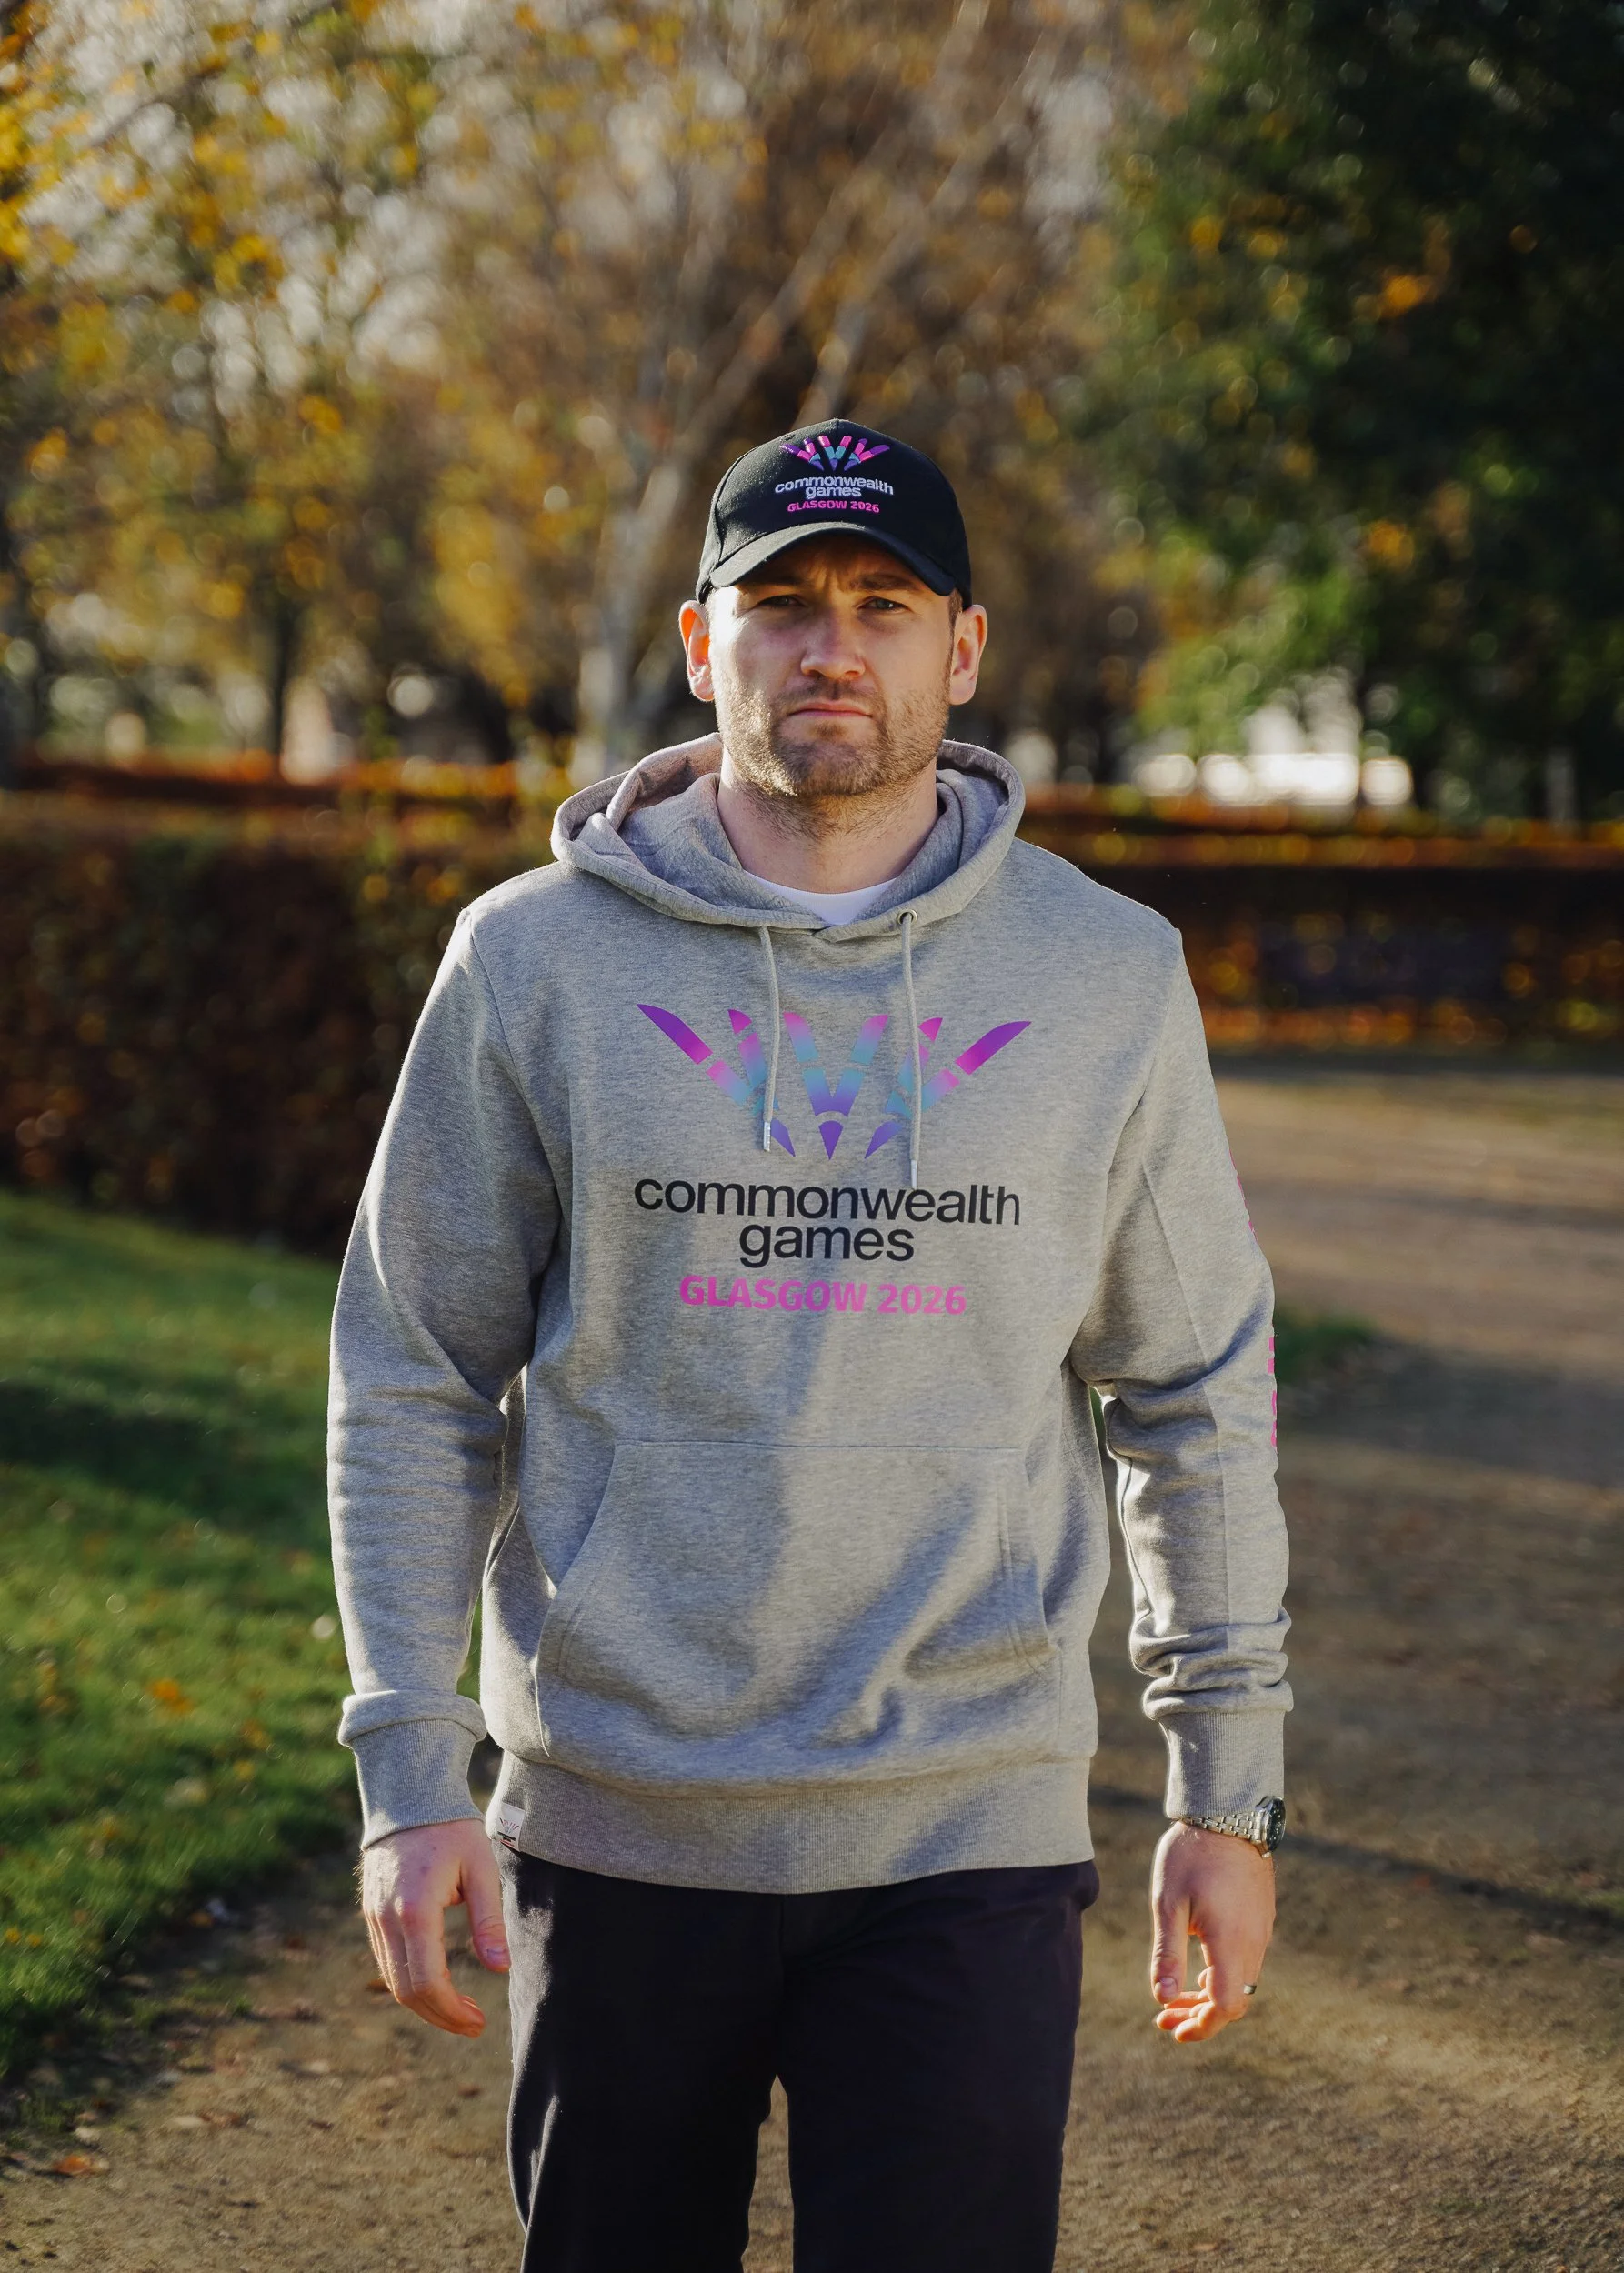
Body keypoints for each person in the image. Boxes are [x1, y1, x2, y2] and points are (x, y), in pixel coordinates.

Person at [329, 419, 1290, 2273]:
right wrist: (409, 1769)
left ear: (964, 647)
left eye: (878, 603)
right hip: (620, 1820)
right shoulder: (529, 964)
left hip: (965, 1827)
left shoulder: (1104, 973)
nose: (828, 647)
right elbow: (412, 1374)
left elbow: (1190, 1384)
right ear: (703, 646)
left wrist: (1220, 1789)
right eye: (778, 606)